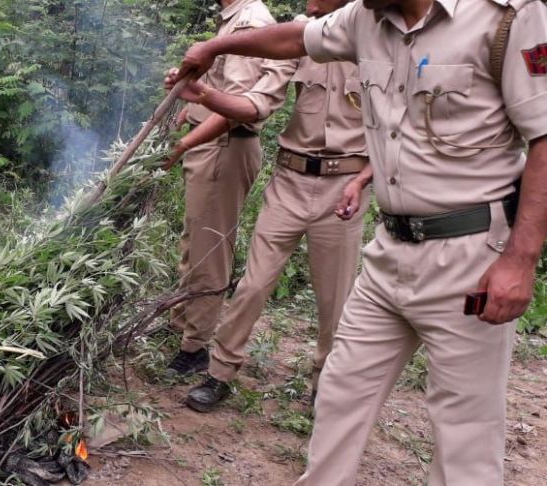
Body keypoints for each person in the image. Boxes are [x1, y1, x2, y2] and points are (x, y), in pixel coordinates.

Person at [171, 0, 547, 484]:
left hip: (469, 255)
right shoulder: (367, 18)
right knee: (339, 393)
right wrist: (213, 46)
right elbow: (292, 38)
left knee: (465, 438)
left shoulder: (506, 17)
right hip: (388, 249)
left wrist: (520, 259)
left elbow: (543, 137)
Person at [165, 0, 372, 412]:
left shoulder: (378, 36)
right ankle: (219, 373)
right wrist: (203, 95)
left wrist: (366, 178)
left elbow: (400, 125)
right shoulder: (298, 36)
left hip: (344, 185)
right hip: (290, 178)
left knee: (335, 299)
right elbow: (256, 105)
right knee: (253, 284)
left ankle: (324, 385)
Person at [165, 0, 293, 379]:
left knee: (208, 251)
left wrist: (184, 145)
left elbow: (235, 108)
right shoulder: (233, 21)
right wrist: (192, 104)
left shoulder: (249, 22)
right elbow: (219, 92)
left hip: (223, 147)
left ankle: (194, 348)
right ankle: (183, 323)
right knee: (194, 240)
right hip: (211, 144)